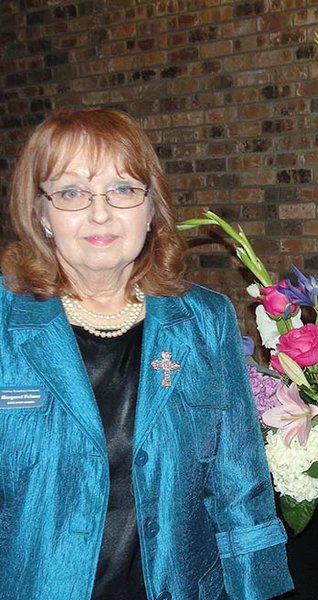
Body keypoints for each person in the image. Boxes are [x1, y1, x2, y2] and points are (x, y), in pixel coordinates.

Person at [0, 108, 293, 599]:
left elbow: (240, 490)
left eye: (122, 189)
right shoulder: (8, 326)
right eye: (72, 193)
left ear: (151, 208)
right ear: (41, 214)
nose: (100, 213)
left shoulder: (204, 320)